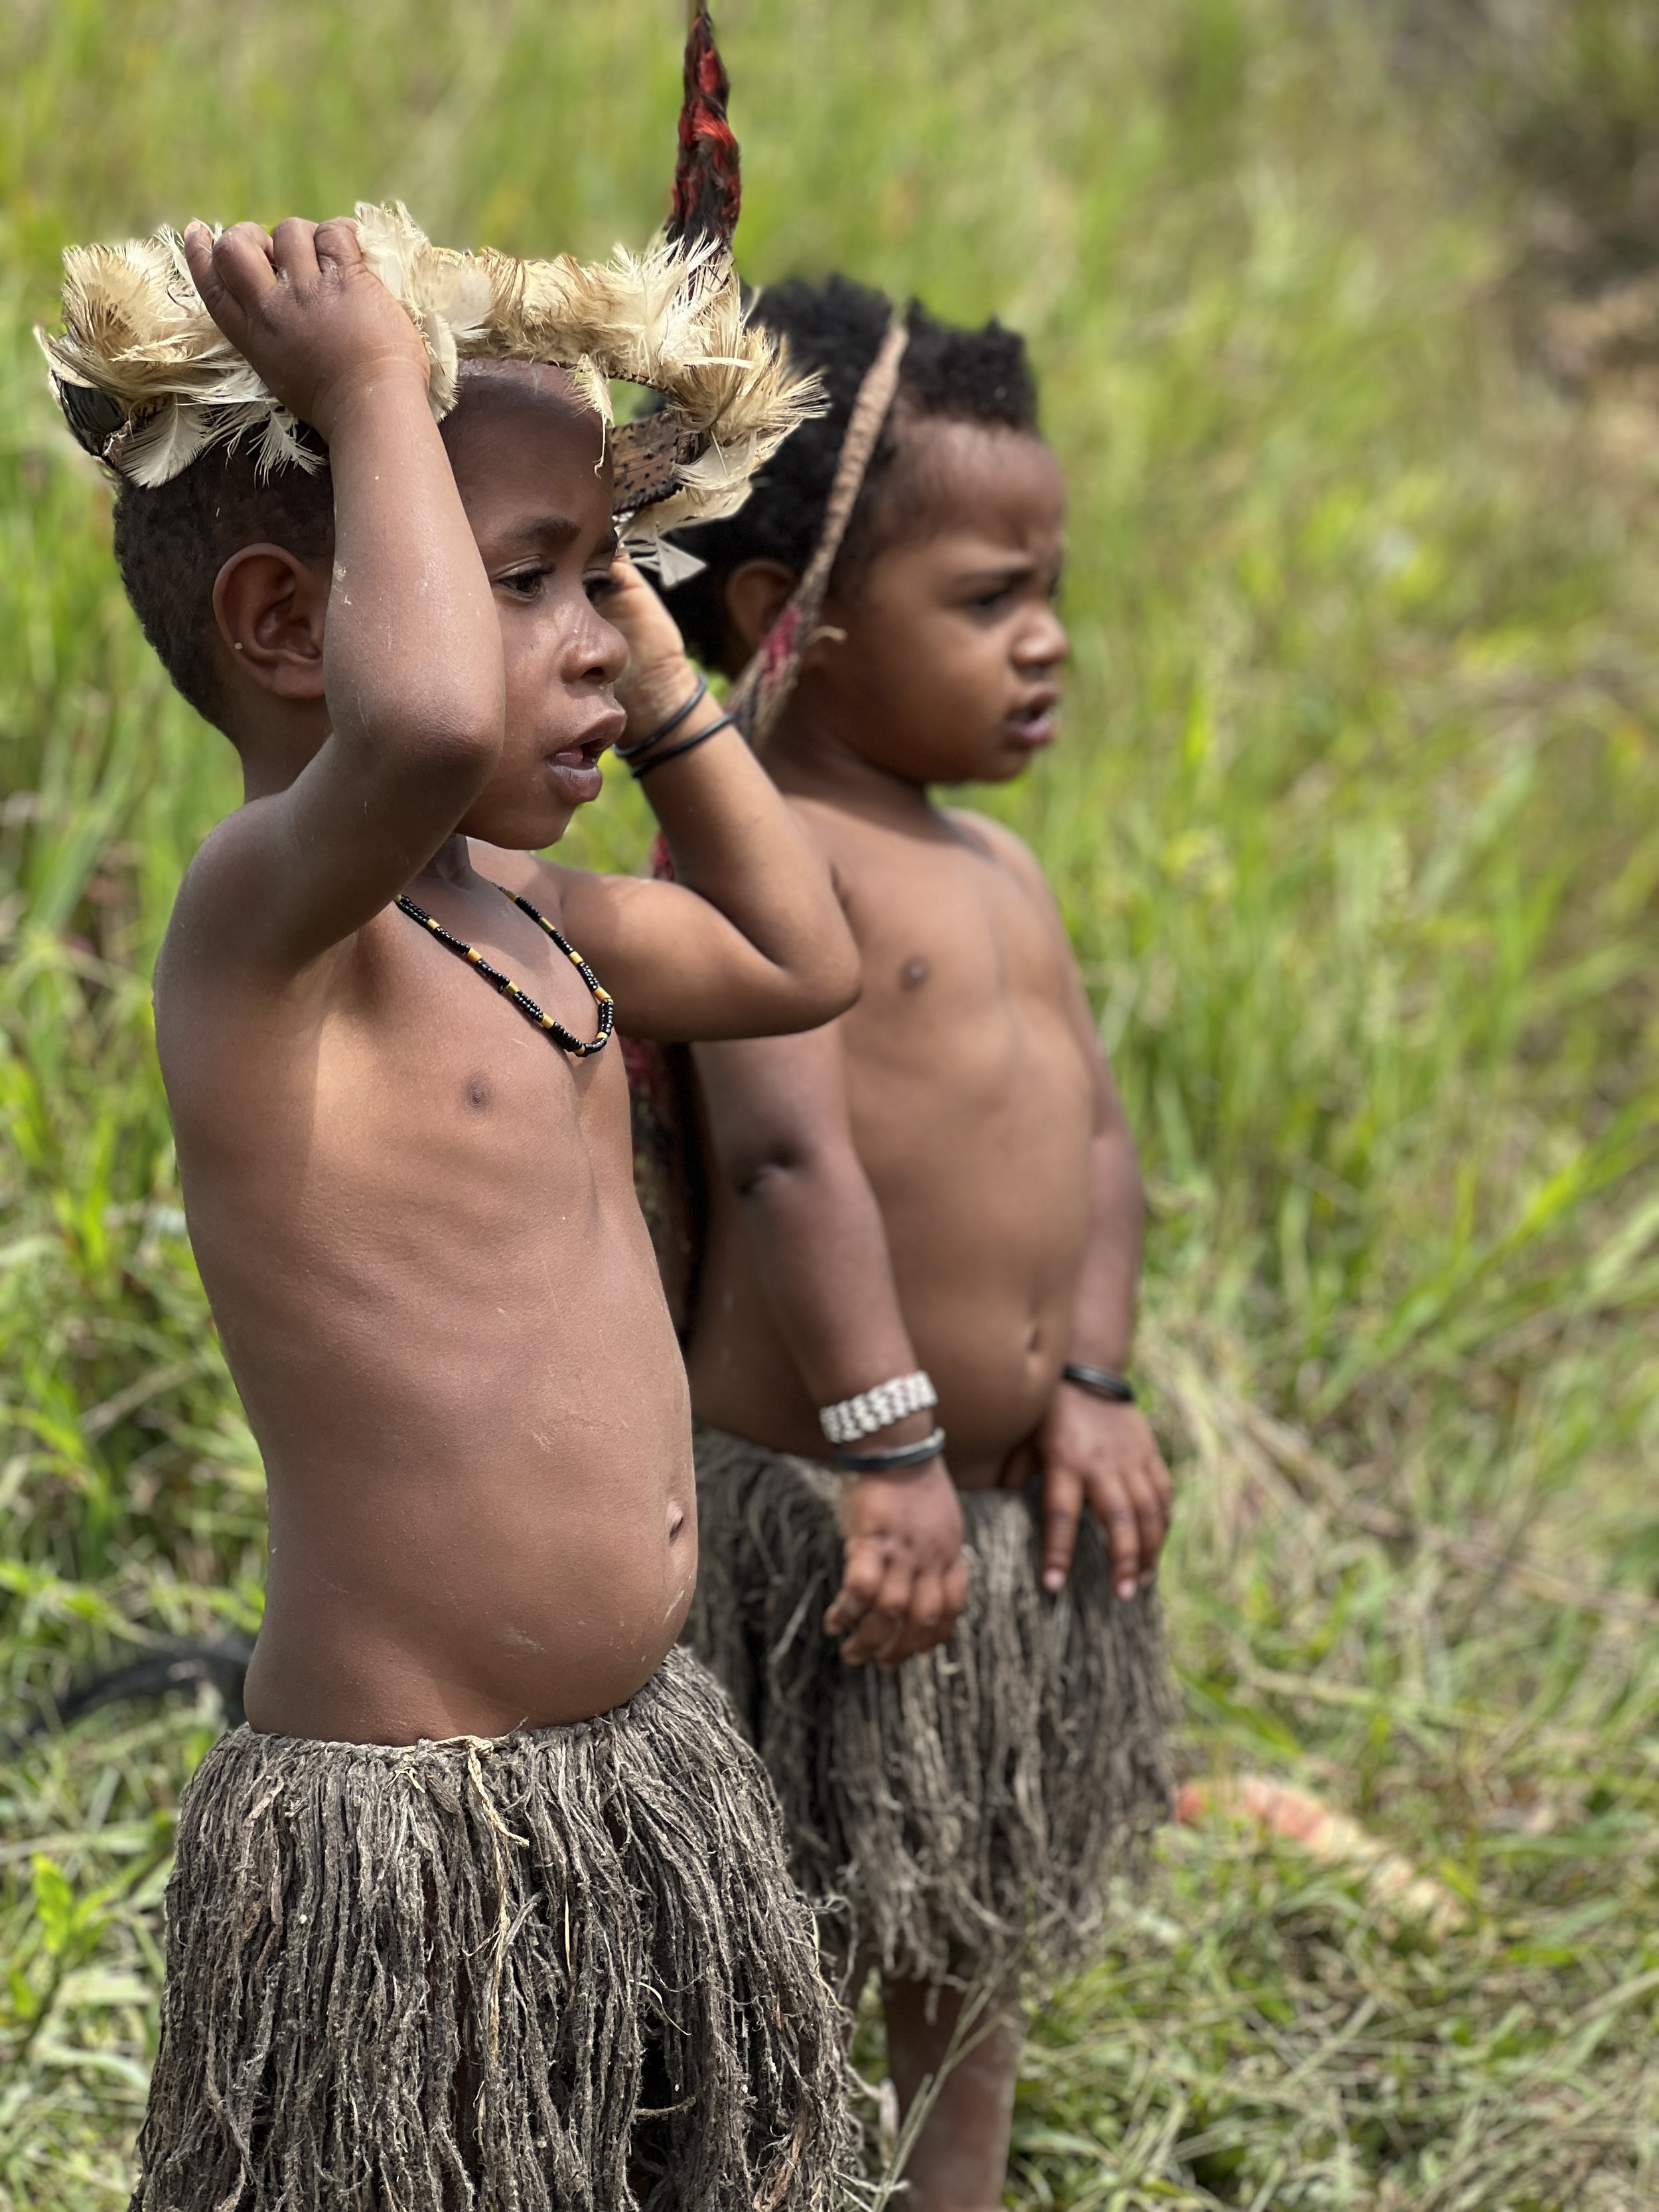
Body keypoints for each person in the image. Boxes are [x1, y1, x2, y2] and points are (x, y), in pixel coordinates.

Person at [42, 207, 859, 2211]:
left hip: (632, 1765)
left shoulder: (539, 927)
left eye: (614, 576)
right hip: (412, 1834)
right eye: (533, 580)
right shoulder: (263, 934)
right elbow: (415, 728)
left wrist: (658, 686)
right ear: (288, 627)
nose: (600, 621)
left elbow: (796, 954)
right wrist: (359, 392)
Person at [654, 275, 1177, 2212]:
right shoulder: (760, 858)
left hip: (990, 1514)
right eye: (986, 600)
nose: (1045, 646)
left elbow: (1101, 1146)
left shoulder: (1000, 865)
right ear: (780, 612)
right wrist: (884, 1450)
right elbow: (792, 1171)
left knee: (962, 1934)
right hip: (832, 1526)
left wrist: (1095, 1382)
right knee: (776, 1931)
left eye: (1050, 593)